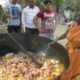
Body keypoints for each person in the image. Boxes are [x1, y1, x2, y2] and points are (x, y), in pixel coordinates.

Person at [48, 13, 80, 80]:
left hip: (77, 55)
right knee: (63, 68)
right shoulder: (72, 25)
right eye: (78, 15)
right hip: (67, 51)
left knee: (72, 73)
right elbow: (65, 34)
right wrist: (55, 40)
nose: (78, 17)